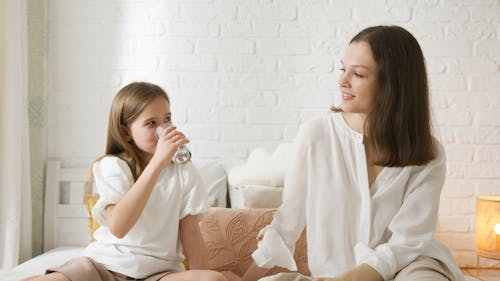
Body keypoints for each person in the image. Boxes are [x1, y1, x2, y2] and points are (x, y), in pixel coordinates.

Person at [242, 26, 466, 281]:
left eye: (358, 73)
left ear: (393, 83)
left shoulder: (429, 153)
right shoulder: (316, 135)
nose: (342, 81)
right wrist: (245, 280)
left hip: (409, 268)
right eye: (343, 69)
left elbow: (409, 241)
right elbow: (288, 222)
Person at [27, 82, 227, 281]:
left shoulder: (183, 171)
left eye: (167, 119)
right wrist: (157, 163)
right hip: (103, 269)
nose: (163, 128)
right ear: (125, 132)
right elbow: (119, 227)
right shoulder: (112, 165)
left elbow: (191, 235)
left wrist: (204, 275)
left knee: (213, 279)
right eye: (151, 123)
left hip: (158, 274)